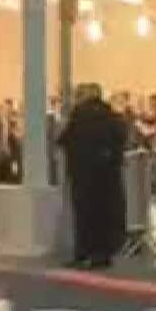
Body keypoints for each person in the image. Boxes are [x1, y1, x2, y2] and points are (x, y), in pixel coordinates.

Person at [58, 83, 127, 269]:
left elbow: (64, 139)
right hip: (108, 175)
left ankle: (83, 253)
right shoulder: (111, 115)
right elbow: (121, 138)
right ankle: (102, 255)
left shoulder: (80, 114)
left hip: (83, 173)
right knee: (104, 213)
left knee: (84, 215)